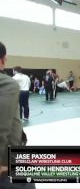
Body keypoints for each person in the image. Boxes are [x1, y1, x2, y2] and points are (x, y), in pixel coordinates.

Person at [0, 42, 35, 189]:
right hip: (25, 92)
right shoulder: (17, 80)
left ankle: (23, 115)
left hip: (21, 92)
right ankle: (25, 116)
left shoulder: (15, 79)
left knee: (18, 107)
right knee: (23, 107)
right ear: (3, 59)